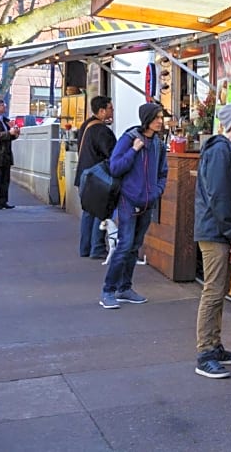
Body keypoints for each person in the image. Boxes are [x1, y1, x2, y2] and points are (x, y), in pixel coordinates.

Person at [193, 103, 231, 379]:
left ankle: (214, 345)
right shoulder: (221, 152)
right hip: (216, 231)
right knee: (214, 291)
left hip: (220, 230)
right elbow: (220, 196)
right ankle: (205, 352)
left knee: (218, 289)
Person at [99, 102, 167, 310]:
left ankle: (125, 288)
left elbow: (163, 172)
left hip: (147, 202)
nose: (160, 121)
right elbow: (115, 167)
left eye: (161, 117)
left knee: (134, 247)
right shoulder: (130, 139)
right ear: (146, 118)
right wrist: (134, 151)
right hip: (128, 201)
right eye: (156, 117)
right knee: (124, 246)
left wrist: (157, 191)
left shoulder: (158, 144)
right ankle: (108, 291)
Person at [75, 96, 116, 258]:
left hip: (84, 176)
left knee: (88, 212)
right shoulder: (102, 131)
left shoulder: (86, 125)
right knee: (101, 212)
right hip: (98, 179)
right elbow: (112, 155)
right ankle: (97, 248)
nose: (112, 111)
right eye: (110, 108)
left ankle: (85, 248)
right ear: (102, 111)